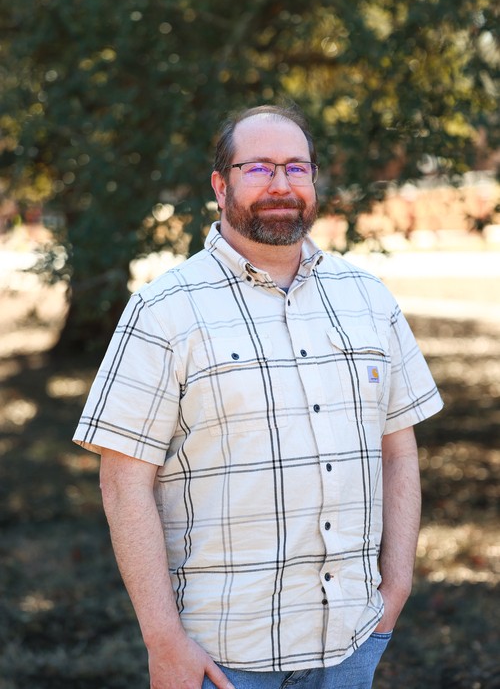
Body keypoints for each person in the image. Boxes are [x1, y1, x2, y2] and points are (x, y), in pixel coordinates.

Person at [73, 104, 443, 689]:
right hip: (222, 658)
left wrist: (396, 586)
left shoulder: (369, 300)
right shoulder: (163, 311)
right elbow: (123, 484)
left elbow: (398, 451)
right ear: (220, 186)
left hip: (353, 642)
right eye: (258, 168)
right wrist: (163, 640)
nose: (280, 185)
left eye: (296, 168)